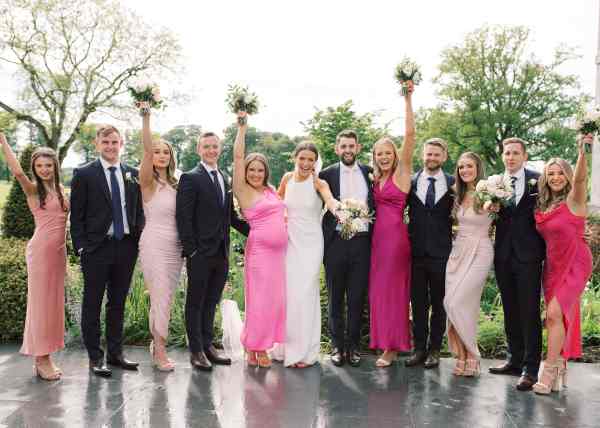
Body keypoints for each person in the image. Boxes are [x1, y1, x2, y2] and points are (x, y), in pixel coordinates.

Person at [70, 124, 145, 377]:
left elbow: (137, 210)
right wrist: (81, 246)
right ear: (97, 144)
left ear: (121, 143)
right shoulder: (84, 174)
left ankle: (115, 354)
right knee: (92, 303)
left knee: (118, 303)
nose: (111, 147)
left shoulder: (132, 173)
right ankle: (95, 357)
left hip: (125, 246)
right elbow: (76, 216)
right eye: (106, 142)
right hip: (96, 248)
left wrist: (137, 238)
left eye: (115, 142)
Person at [176, 129, 249, 372]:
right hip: (200, 253)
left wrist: (257, 230)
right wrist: (191, 251)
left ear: (220, 149)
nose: (211, 150)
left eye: (214, 146)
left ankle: (208, 345)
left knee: (211, 301)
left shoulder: (224, 177)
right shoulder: (190, 177)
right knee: (195, 302)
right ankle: (196, 351)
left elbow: (229, 216)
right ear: (199, 150)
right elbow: (184, 218)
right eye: (206, 146)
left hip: (221, 252)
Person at [1, 133, 68, 381]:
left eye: (48, 165)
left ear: (55, 166)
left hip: (58, 254)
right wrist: (3, 142)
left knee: (53, 305)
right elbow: (17, 172)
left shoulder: (61, 190)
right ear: (34, 168)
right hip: (41, 253)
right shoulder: (32, 190)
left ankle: (46, 354)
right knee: (41, 306)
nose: (44, 170)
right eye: (39, 166)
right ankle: (41, 359)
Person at [532, 135, 593, 394]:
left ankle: (550, 368)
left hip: (576, 261)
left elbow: (580, 179)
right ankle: (561, 365)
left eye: (560, 173)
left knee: (554, 314)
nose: (556, 177)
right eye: (551, 173)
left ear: (567, 177)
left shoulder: (574, 200)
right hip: (553, 265)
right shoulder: (542, 204)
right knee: (560, 317)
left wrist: (582, 152)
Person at [488, 137, 545, 391]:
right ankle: (514, 360)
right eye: (506, 153)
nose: (510, 157)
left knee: (529, 312)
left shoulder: (538, 180)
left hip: (529, 256)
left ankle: (531, 369)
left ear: (524, 155)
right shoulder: (494, 183)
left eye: (515, 153)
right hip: (503, 255)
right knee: (510, 309)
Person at [232, 111, 287, 368]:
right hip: (260, 254)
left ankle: (257, 345)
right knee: (259, 301)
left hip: (279, 256)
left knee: (274, 301)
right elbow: (238, 156)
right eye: (251, 169)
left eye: (260, 169)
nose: (255, 173)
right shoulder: (243, 190)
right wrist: (242, 127)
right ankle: (257, 347)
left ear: (266, 172)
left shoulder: (270, 190)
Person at [277, 141, 337, 368]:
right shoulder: (286, 179)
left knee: (305, 294)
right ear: (295, 158)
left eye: (310, 159)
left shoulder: (319, 182)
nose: (305, 163)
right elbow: (276, 202)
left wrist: (340, 209)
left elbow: (329, 200)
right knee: (289, 295)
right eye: (302, 158)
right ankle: (286, 348)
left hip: (311, 243)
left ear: (315, 162)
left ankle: (304, 351)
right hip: (289, 241)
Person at [368, 82, 416, 367]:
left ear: (395, 155)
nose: (384, 157)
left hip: (395, 239)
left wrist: (408, 99)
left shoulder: (401, 173)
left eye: (387, 152)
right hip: (377, 240)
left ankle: (393, 346)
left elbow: (410, 135)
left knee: (393, 291)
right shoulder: (378, 179)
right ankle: (383, 340)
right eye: (379, 154)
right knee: (378, 291)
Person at [319, 129, 375, 367]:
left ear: (358, 148)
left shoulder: (370, 173)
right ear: (337, 148)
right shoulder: (326, 174)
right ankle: (336, 346)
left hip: (362, 243)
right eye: (344, 146)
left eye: (352, 146)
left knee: (356, 297)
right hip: (335, 244)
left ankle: (353, 347)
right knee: (335, 297)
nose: (348, 150)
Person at [138, 110, 183, 371]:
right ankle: (160, 351)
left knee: (164, 297)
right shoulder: (148, 182)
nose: (161, 156)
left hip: (175, 247)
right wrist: (146, 119)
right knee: (161, 297)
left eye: (165, 152)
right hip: (154, 243)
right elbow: (145, 151)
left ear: (171, 157)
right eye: (156, 152)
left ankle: (157, 343)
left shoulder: (177, 183)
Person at [443, 152, 495, 377]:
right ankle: (463, 356)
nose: (465, 170)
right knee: (462, 305)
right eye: (461, 167)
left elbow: (500, 215)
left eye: (469, 166)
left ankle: (473, 354)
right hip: (457, 253)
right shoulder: (456, 192)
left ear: (478, 168)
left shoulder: (489, 193)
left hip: (481, 251)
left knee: (456, 302)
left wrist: (495, 205)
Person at [405, 138, 454, 369]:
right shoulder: (410, 182)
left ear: (444, 157)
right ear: (421, 156)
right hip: (414, 254)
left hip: (443, 254)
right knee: (419, 303)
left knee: (439, 303)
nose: (431, 158)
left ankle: (435, 349)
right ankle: (419, 349)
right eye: (428, 154)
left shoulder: (454, 184)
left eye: (436, 155)